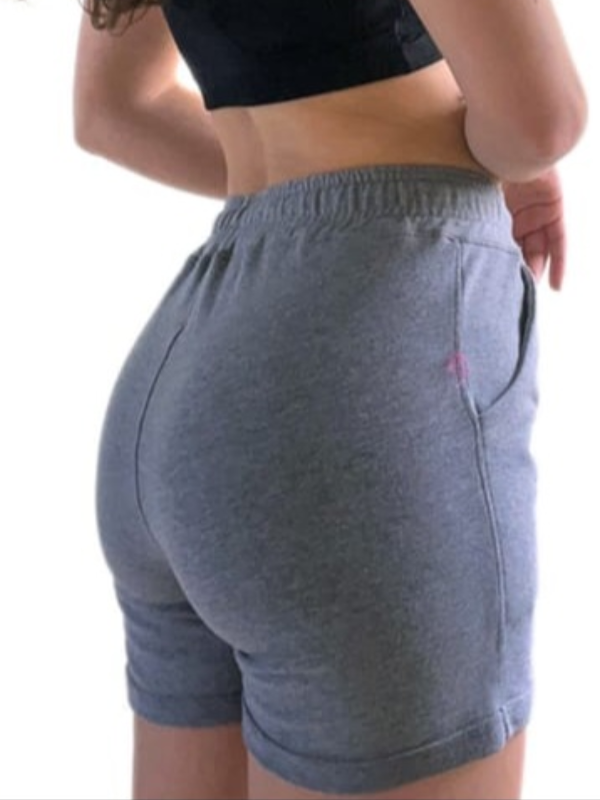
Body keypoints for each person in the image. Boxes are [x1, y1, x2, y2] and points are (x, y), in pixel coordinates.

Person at [73, 1, 588, 798]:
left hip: (187, 373)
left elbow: (113, 108)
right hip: (363, 369)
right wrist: (484, 151)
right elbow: (538, 118)